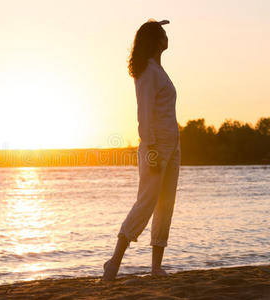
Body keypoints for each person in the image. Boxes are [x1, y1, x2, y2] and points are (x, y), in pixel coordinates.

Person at [102, 19, 181, 281]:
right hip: (156, 146)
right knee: (146, 202)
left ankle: (156, 268)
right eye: (163, 34)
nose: (167, 37)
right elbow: (144, 116)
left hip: (172, 145)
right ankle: (113, 262)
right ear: (156, 41)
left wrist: (152, 27)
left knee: (165, 205)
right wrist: (154, 150)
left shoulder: (157, 68)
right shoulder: (147, 71)